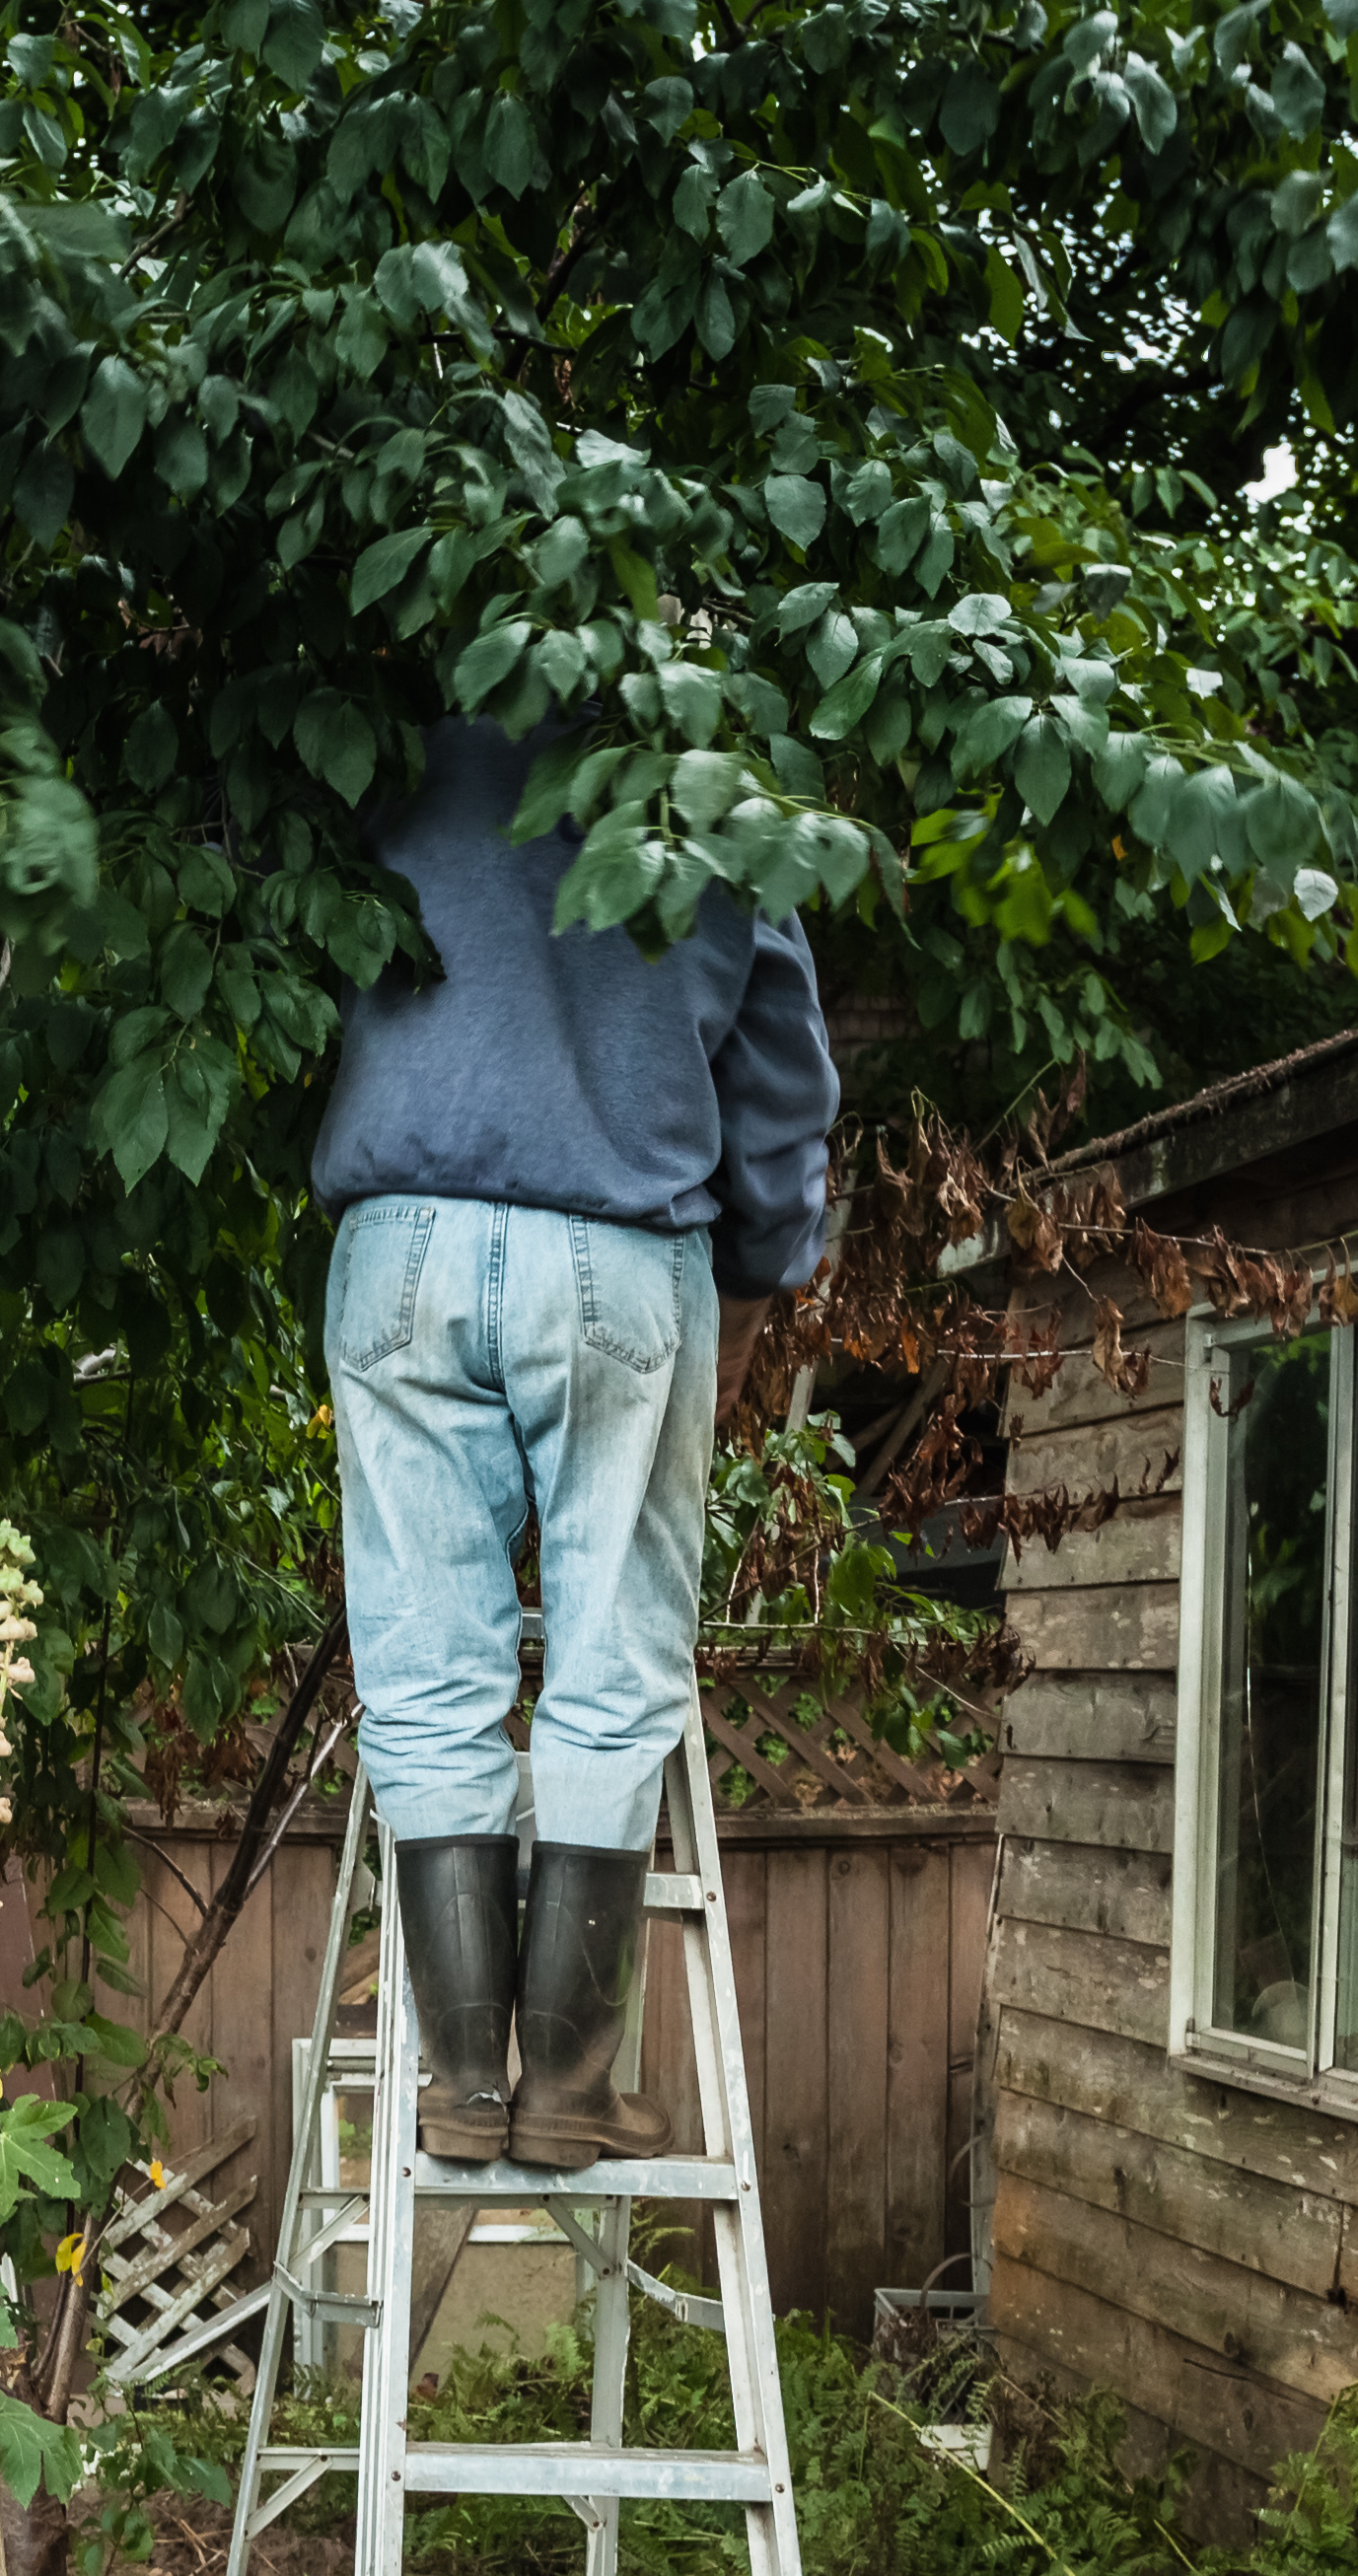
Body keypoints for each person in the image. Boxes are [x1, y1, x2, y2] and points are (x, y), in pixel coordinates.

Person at [306, 717, 836, 2170]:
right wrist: (765, 1257)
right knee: (614, 1658)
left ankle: (467, 2084)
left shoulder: (374, 729)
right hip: (622, 1239)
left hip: (398, 1235)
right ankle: (570, 2089)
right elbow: (785, 1065)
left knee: (425, 1661)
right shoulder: (714, 774)